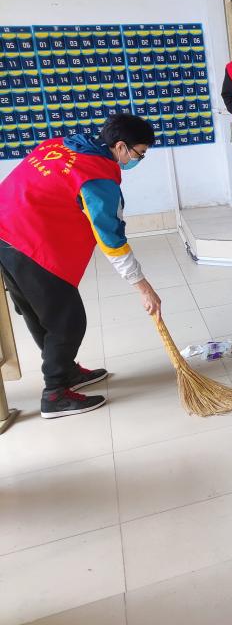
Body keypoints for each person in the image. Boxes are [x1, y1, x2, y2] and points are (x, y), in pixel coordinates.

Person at [0, 114, 162, 418]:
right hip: (29, 244)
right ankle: (55, 394)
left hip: (5, 229)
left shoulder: (62, 144)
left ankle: (66, 372)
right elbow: (111, 239)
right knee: (68, 322)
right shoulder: (97, 177)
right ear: (121, 146)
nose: (138, 160)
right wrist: (144, 288)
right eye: (139, 153)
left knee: (40, 313)